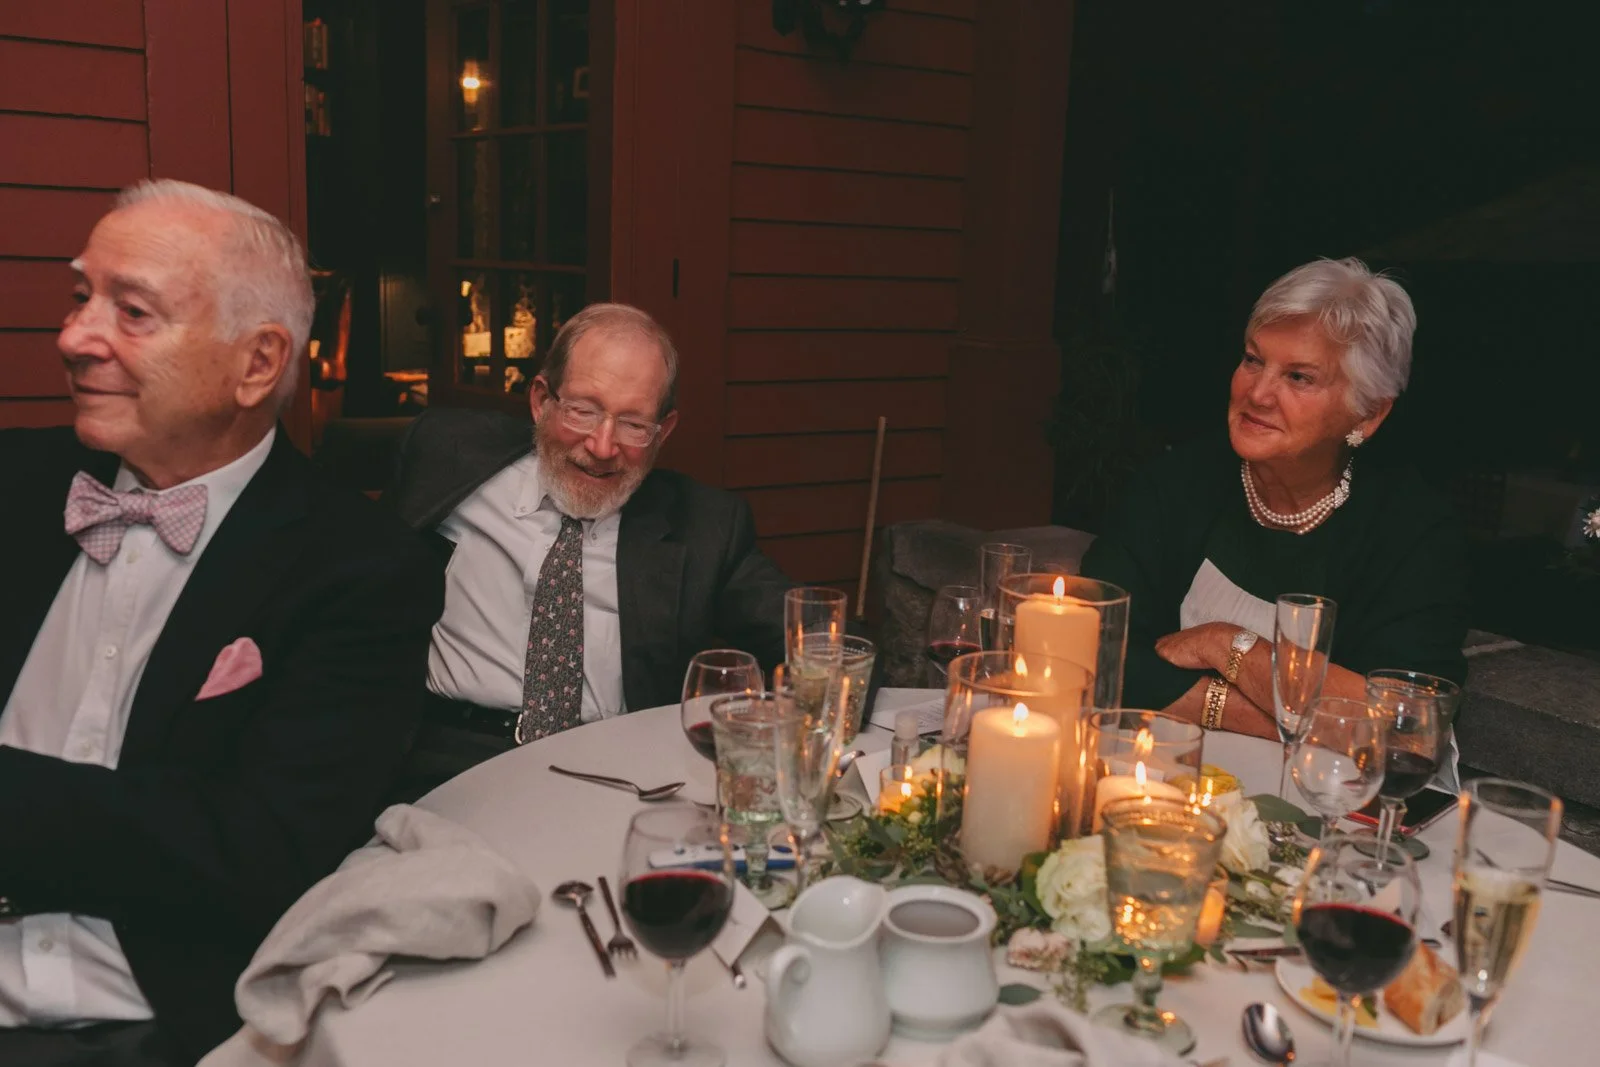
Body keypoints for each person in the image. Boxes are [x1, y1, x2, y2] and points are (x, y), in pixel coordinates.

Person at [0, 180, 443, 1066]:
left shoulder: (362, 567)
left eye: (133, 311)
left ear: (256, 364)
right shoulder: (12, 480)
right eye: (82, 296)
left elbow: (264, 850)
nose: (75, 338)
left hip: (157, 1019)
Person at [388, 302, 792, 783]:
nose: (603, 446)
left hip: (615, 768)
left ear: (664, 431)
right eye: (583, 411)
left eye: (633, 424)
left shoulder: (705, 526)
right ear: (541, 400)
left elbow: (823, 648)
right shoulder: (445, 455)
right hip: (448, 753)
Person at [1081, 258, 1468, 740]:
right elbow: (1091, 642)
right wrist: (1264, 717)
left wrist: (1226, 646)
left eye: (1299, 377)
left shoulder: (1413, 532)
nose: (1258, 392)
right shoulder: (1178, 480)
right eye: (1253, 359)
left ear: (1366, 415)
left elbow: (1405, 722)